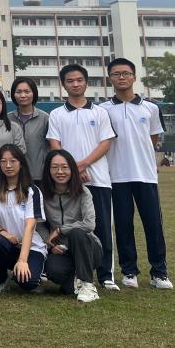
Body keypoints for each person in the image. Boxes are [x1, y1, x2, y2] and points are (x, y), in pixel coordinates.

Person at [99, 58, 172, 290]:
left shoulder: (150, 108)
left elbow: (152, 139)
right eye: (116, 74)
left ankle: (159, 272)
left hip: (145, 175)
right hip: (116, 176)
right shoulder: (102, 110)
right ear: (110, 78)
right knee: (123, 225)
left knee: (153, 224)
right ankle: (129, 271)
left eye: (126, 73)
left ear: (134, 76)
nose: (121, 77)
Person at [46, 63, 119, 291]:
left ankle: (106, 275)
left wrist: (82, 165)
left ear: (86, 82)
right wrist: (73, 171)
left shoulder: (100, 112)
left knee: (102, 228)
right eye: (70, 81)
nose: (75, 84)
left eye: (79, 80)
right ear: (63, 84)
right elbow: (55, 145)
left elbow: (106, 143)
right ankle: (76, 272)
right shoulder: (57, 114)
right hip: (66, 182)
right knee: (74, 228)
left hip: (98, 179)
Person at [40, 148, 102, 303]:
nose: (60, 171)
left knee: (77, 232)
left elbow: (89, 224)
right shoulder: (43, 195)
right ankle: (74, 281)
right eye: (55, 167)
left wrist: (60, 230)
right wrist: (50, 243)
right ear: (48, 170)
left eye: (64, 167)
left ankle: (87, 284)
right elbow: (39, 224)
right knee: (54, 271)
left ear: (72, 169)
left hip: (88, 247)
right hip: (62, 250)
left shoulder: (83, 192)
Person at [0, 144, 46, 294]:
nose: (8, 165)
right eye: (3, 161)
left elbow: (30, 227)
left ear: (21, 163)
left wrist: (23, 260)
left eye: (13, 161)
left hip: (30, 247)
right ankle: (0, 279)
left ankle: (26, 272)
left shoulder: (32, 191)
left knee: (28, 283)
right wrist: (3, 232)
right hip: (6, 243)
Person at [9, 77, 50, 185]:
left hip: (39, 176)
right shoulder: (7, 119)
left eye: (27, 91)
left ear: (34, 93)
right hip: (13, 175)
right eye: (18, 92)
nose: (23, 95)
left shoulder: (45, 118)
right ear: (13, 94)